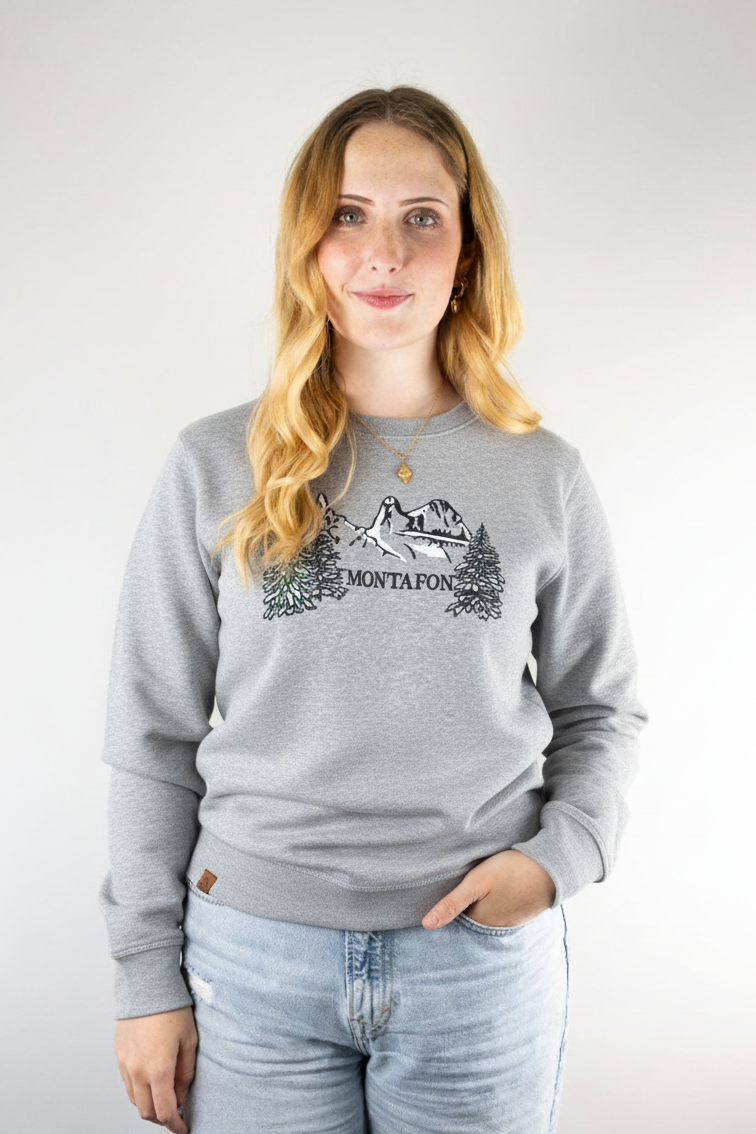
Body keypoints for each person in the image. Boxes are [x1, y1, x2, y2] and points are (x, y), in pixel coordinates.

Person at [99, 85, 649, 1134]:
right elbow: (150, 733)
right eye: (348, 214)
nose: (384, 254)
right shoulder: (214, 464)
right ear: (307, 246)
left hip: (476, 968)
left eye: (421, 218)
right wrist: (143, 975)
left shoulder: (544, 476)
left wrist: (556, 863)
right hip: (251, 959)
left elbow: (602, 709)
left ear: (468, 253)